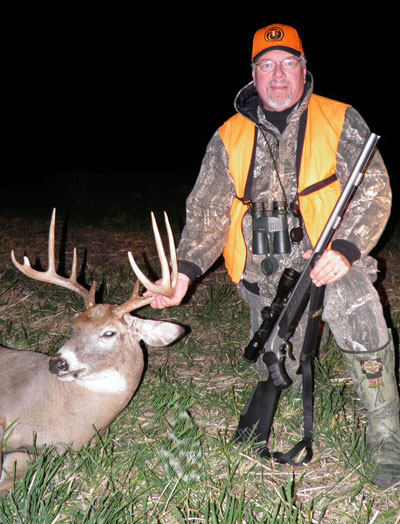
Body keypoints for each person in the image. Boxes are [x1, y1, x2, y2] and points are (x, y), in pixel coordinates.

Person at [149, 23, 400, 488]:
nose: (278, 75)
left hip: (323, 263)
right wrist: (183, 272)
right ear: (253, 73)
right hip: (263, 278)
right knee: (272, 362)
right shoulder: (229, 135)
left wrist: (345, 249)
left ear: (305, 70)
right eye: (267, 65)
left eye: (289, 63)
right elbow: (206, 213)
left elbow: (374, 191)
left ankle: (387, 434)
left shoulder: (340, 119)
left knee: (357, 308)